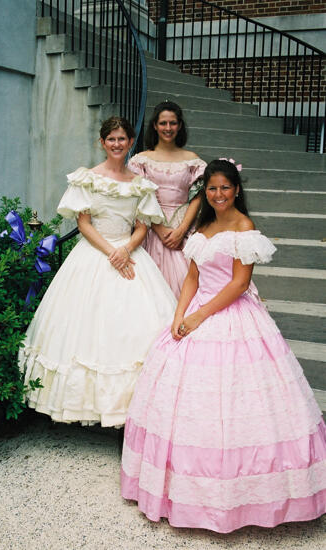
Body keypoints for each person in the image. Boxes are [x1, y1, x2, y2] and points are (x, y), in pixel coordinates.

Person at [121, 159, 326, 532]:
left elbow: (238, 284)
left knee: (239, 406)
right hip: (197, 307)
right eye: (211, 189)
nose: (218, 195)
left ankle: (242, 496)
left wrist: (200, 318)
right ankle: (181, 489)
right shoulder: (203, 228)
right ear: (205, 192)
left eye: (225, 188)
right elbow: (191, 278)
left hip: (230, 313)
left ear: (236, 190)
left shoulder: (244, 228)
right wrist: (179, 314)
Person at [19, 117, 177, 427]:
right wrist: (111, 252)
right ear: (102, 143)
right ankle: (86, 407)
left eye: (122, 139)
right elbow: (83, 224)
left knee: (132, 329)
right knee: (84, 331)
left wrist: (125, 250)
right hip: (94, 254)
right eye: (111, 139)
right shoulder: (87, 178)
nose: (117, 144)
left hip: (129, 254)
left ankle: (132, 411)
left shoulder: (141, 184)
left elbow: (143, 226)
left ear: (131, 142)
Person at [128, 101, 207, 298]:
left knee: (188, 282)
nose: (168, 128)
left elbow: (198, 196)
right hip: (151, 228)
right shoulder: (141, 160)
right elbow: (140, 199)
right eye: (163, 123)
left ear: (179, 126)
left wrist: (181, 231)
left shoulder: (192, 159)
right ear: (155, 125)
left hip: (184, 225)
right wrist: (160, 229)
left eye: (173, 123)